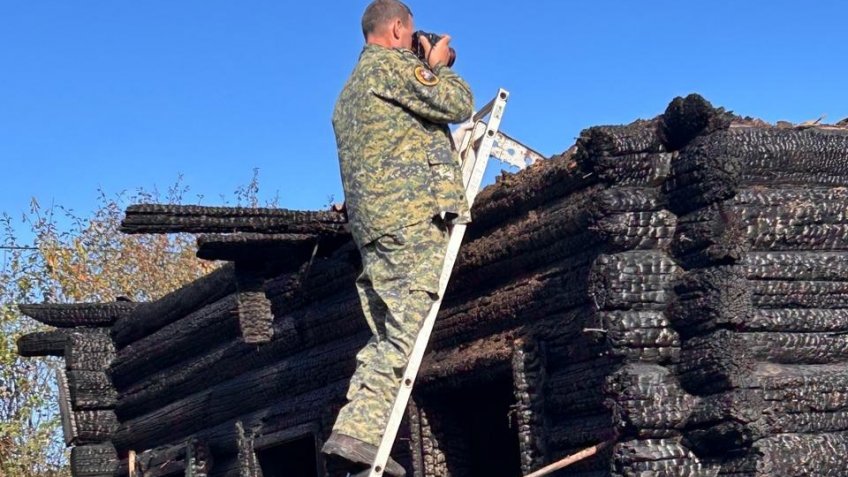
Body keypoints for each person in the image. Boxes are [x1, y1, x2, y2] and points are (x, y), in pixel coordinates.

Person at [321, 0, 474, 475]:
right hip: (408, 218)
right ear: (394, 32)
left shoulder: (348, 93)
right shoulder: (388, 69)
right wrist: (436, 67)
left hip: (374, 226)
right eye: (410, 37)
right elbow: (459, 103)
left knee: (386, 332)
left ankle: (357, 430)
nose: (413, 44)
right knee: (406, 328)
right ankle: (359, 434)